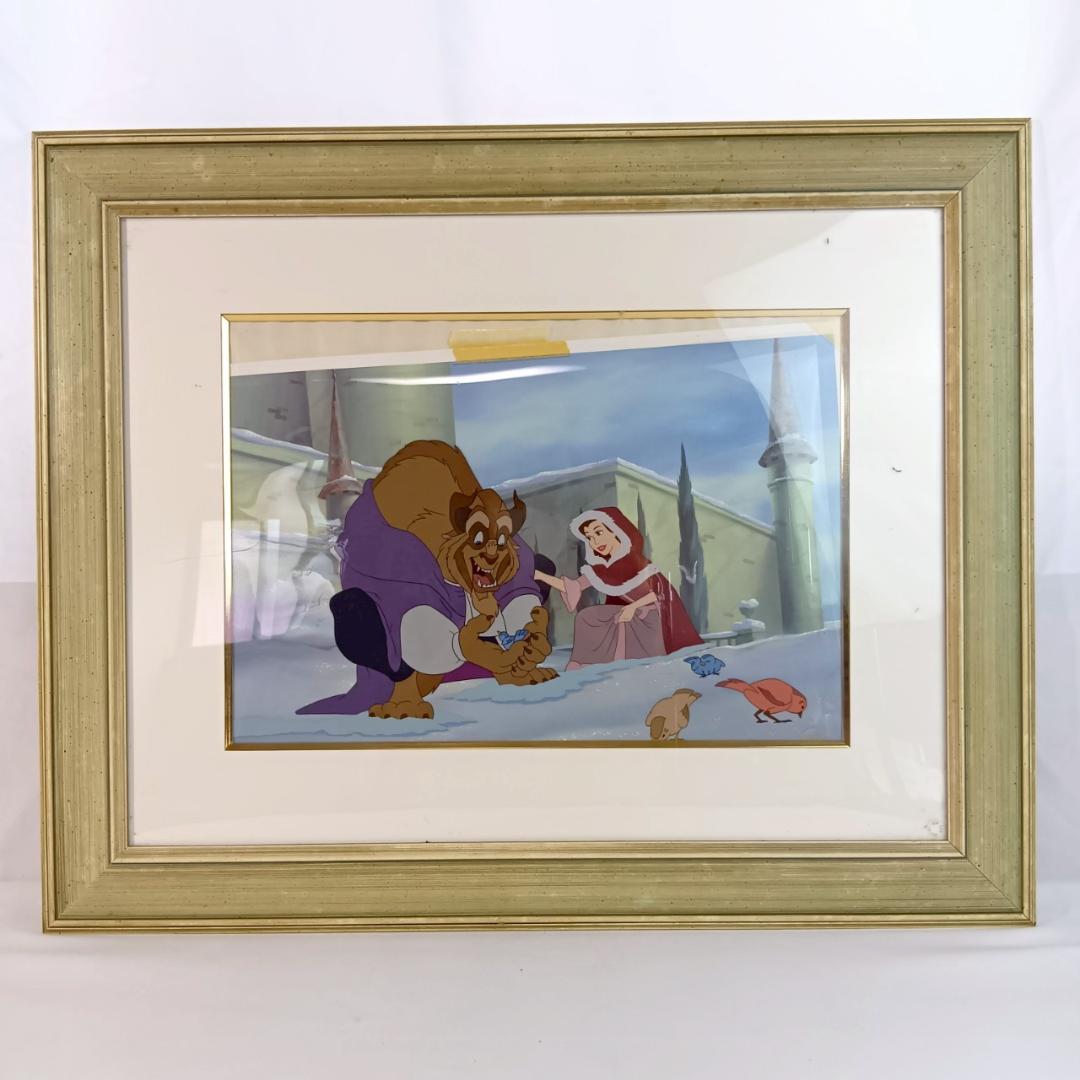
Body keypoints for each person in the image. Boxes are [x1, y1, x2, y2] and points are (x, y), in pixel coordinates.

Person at [534, 507, 703, 668]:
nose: (595, 541)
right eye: (589, 538)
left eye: (599, 532)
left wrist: (633, 607)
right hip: (626, 613)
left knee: (624, 618)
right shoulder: (602, 568)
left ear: (615, 530)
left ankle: (635, 662)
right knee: (586, 616)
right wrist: (541, 576)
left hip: (650, 616)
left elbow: (659, 595)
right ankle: (583, 662)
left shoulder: (636, 562)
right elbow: (573, 586)